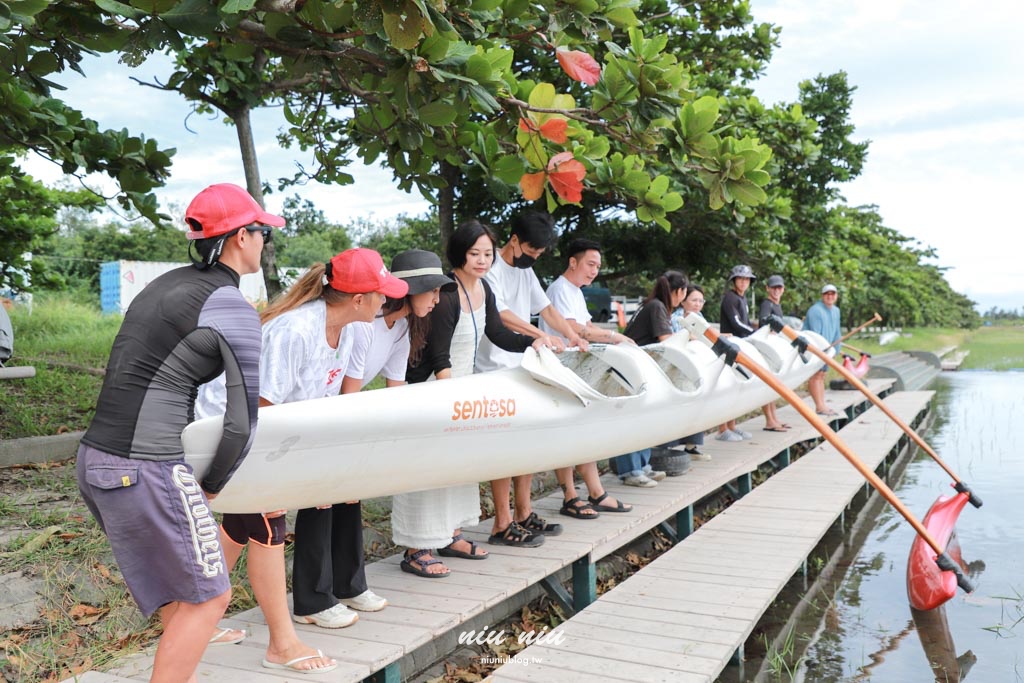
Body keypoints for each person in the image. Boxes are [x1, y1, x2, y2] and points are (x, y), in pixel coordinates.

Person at [77, 182, 281, 681]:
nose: (265, 242)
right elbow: (242, 422)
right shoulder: (232, 306)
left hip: (95, 460)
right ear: (240, 237)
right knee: (211, 597)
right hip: (146, 468)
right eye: (263, 232)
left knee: (180, 594)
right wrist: (208, 488)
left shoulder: (163, 285)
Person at [267, 249, 408, 629]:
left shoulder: (355, 329)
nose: (386, 300)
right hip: (262, 433)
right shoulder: (295, 331)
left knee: (344, 484)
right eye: (381, 294)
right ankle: (312, 601)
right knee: (317, 492)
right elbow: (264, 410)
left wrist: (341, 458)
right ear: (359, 299)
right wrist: (309, 466)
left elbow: (340, 400)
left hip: (308, 428)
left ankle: (345, 586)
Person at [405, 221, 554, 570]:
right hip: (436, 388)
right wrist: (452, 401)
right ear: (460, 253)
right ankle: (415, 549)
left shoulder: (484, 288)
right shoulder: (446, 293)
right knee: (429, 469)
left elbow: (498, 334)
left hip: (461, 390)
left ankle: (451, 535)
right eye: (475, 254)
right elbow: (438, 356)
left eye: (488, 254)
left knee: (458, 466)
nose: (483, 260)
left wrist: (533, 341)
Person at [343, 250, 490, 574]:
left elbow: (395, 390)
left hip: (359, 410)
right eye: (432, 291)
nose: (437, 300)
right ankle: (412, 550)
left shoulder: (401, 328)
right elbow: (346, 394)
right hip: (328, 411)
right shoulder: (368, 323)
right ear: (411, 289)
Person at [475, 212, 589, 544]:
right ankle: (502, 522)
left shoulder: (526, 271)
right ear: (514, 240)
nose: (534, 258)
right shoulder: (492, 269)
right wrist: (540, 334)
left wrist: (572, 336)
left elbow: (548, 309)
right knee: (502, 450)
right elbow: (501, 315)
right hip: (494, 368)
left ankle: (523, 513)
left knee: (526, 444)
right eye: (531, 251)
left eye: (539, 254)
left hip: (523, 366)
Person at [539, 238, 634, 517]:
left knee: (584, 432)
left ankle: (596, 493)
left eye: (598, 266)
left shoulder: (576, 292)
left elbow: (588, 327)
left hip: (577, 370)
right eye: (590, 264)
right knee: (568, 435)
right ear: (573, 262)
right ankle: (571, 496)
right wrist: (615, 336)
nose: (594, 271)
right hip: (560, 370)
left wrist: (611, 339)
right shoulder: (560, 289)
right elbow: (575, 329)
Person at [612, 270, 689, 486]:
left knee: (645, 419)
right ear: (680, 291)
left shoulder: (652, 305)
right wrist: (688, 337)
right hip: (631, 370)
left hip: (637, 368)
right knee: (633, 421)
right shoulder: (657, 307)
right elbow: (666, 341)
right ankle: (631, 471)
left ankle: (643, 466)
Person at [717, 264, 756, 442]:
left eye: (747, 279)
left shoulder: (742, 298)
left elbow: (745, 322)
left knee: (737, 388)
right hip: (729, 347)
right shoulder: (730, 298)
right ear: (734, 281)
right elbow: (736, 323)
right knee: (727, 388)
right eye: (740, 279)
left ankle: (732, 425)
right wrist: (754, 332)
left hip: (740, 346)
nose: (743, 282)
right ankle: (722, 429)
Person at [671, 284, 711, 461]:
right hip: (678, 368)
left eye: (701, 301)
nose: (697, 304)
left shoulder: (700, 318)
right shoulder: (676, 318)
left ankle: (691, 446)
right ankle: (667, 448)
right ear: (683, 301)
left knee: (698, 404)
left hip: (697, 367)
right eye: (694, 300)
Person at [758, 275, 790, 432]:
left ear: (783, 289)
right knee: (768, 385)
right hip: (766, 349)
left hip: (774, 348)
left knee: (774, 385)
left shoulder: (777, 305)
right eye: (773, 288)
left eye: (779, 288)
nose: (776, 291)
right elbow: (763, 322)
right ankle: (769, 420)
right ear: (767, 289)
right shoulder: (767, 304)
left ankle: (774, 418)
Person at [805, 283, 842, 415]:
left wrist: (836, 350)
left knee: (822, 375)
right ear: (822, 296)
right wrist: (821, 352)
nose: (830, 296)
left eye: (832, 294)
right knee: (816, 375)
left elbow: (837, 332)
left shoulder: (836, 311)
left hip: (828, 349)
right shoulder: (815, 311)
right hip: (815, 348)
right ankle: (819, 406)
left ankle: (822, 405)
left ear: (836, 296)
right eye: (827, 294)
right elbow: (815, 334)